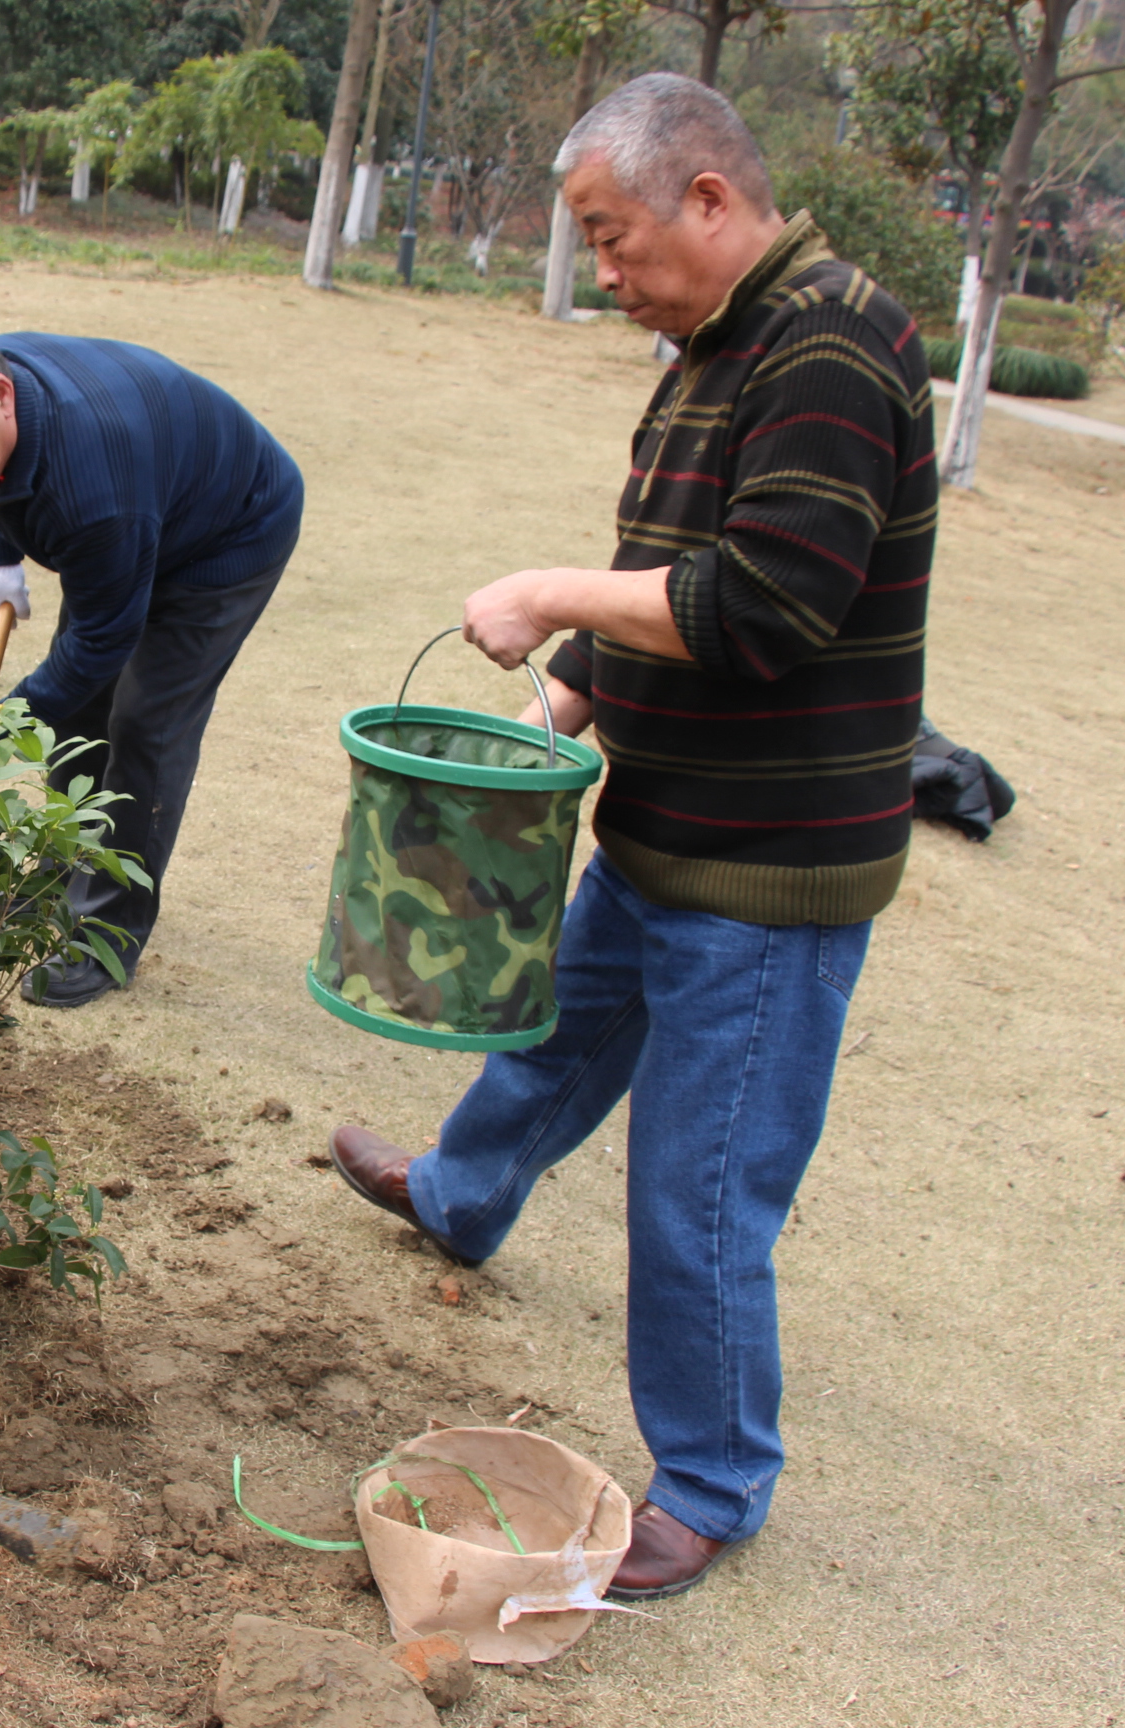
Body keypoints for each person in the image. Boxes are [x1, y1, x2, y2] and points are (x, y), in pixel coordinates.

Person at [326, 74, 935, 1601]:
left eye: (613, 237)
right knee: (551, 1036)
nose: (603, 271)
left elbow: (767, 607)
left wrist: (542, 592)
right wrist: (564, 705)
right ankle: (459, 1199)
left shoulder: (831, 347)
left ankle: (716, 1484)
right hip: (669, 822)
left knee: (700, 1187)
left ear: (711, 201)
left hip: (772, 870)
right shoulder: (714, 345)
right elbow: (666, 565)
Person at [0, 314, 303, 1008]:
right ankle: (65, 867)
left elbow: (101, 641)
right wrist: (0, 556)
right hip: (145, 501)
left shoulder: (91, 486)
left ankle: (106, 933)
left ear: (1, 396)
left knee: (145, 724)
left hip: (228, 530)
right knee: (77, 713)